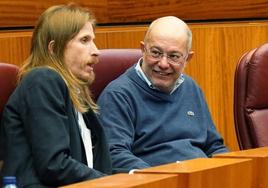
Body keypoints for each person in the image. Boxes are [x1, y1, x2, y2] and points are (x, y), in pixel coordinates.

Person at [97, 16, 229, 173]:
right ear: (143, 49)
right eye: (156, 53)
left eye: (174, 56)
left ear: (188, 58)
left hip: (200, 178)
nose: (163, 63)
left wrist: (230, 171)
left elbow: (214, 146)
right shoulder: (118, 95)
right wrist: (161, 179)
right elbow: (115, 154)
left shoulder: (190, 87)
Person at [0, 4, 112, 188]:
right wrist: (112, 183)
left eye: (93, 40)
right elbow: (54, 165)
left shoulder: (77, 93)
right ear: (54, 48)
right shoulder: (42, 79)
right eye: (84, 40)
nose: (96, 50)